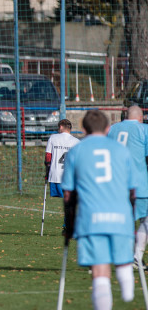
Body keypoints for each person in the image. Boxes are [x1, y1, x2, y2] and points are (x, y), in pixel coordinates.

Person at [62, 110, 136, 310]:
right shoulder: (122, 150)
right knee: (123, 261)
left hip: (91, 218)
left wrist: (69, 226)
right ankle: (127, 283)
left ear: (84, 129)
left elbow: (68, 194)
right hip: (121, 217)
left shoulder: (77, 151)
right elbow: (132, 191)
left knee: (100, 271)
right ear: (108, 128)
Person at [107, 105, 148, 270]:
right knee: (145, 219)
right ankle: (136, 257)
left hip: (116, 184)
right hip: (139, 184)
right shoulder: (143, 129)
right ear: (140, 117)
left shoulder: (113, 129)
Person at [44, 119, 80, 232]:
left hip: (55, 175)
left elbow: (48, 157)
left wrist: (46, 172)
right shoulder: (76, 142)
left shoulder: (53, 138)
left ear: (61, 127)